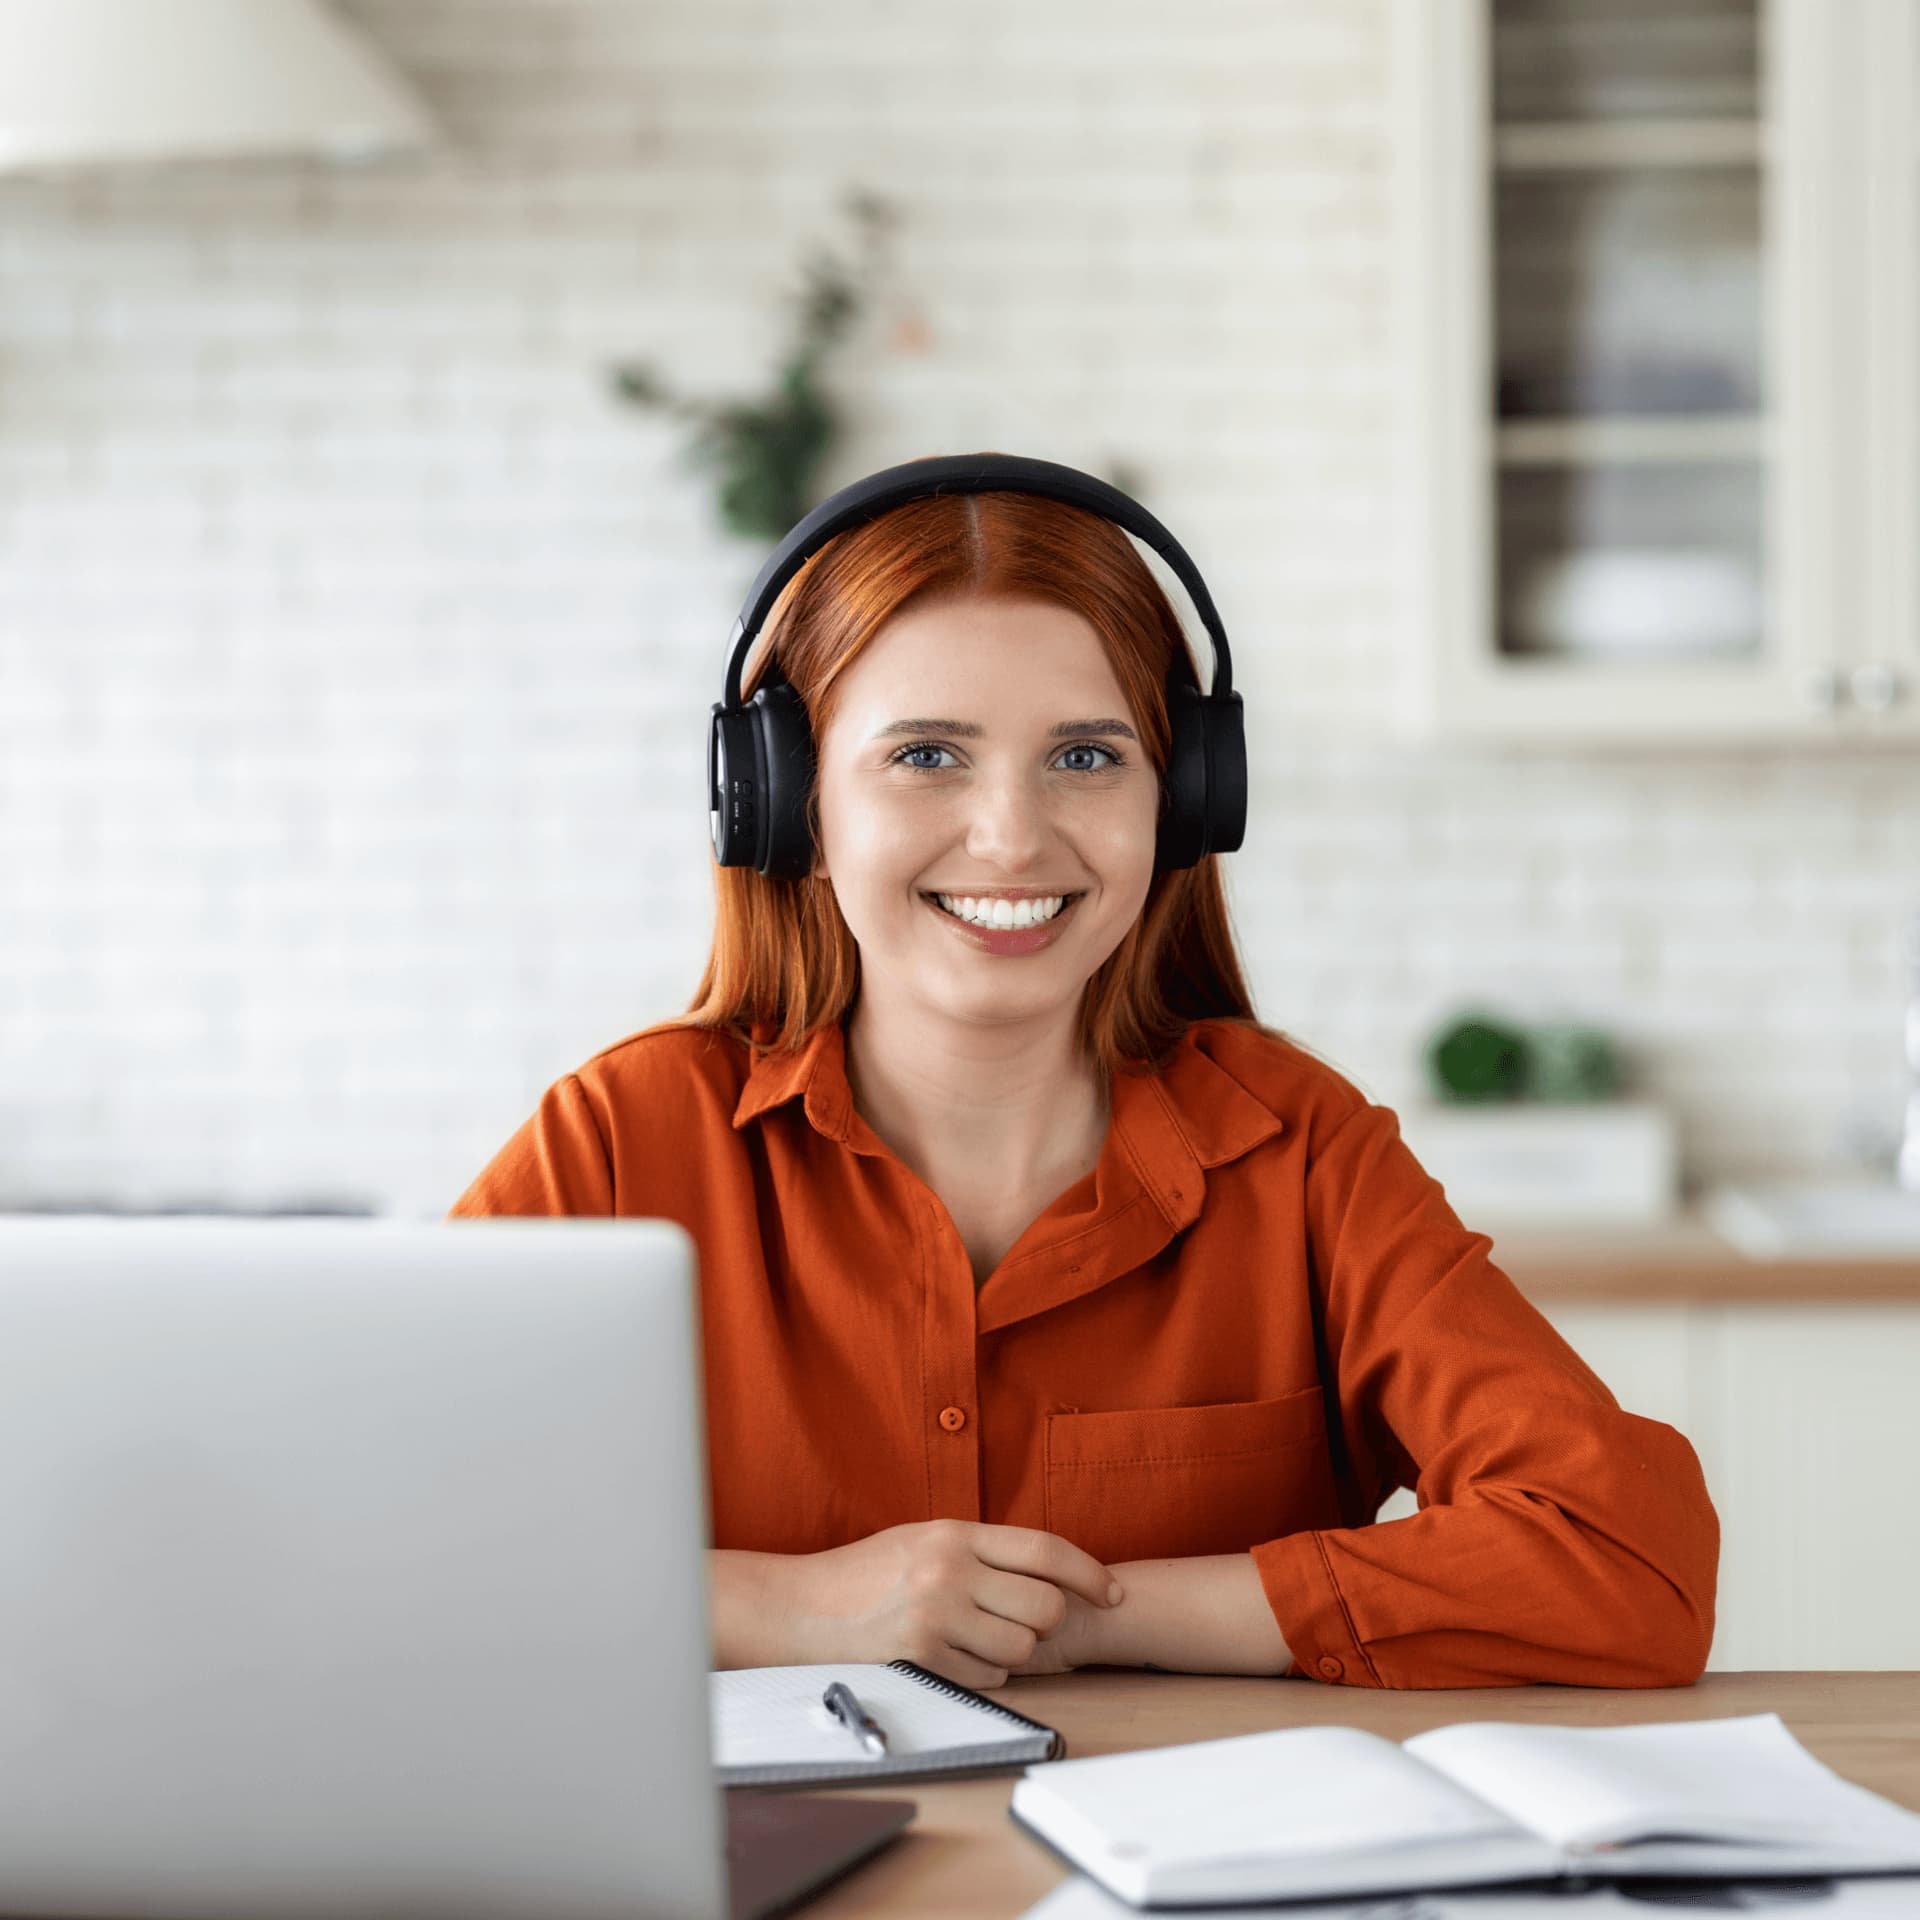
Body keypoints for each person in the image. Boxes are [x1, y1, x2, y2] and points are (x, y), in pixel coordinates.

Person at [449, 457, 1719, 1692]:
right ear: (790, 809)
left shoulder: (1303, 1151)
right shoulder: (622, 1141)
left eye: (1086, 756)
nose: (1011, 837)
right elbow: (365, 1535)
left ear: (1182, 801)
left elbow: (1628, 1558)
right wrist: (798, 1607)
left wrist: (1098, 1617)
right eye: (926, 756)